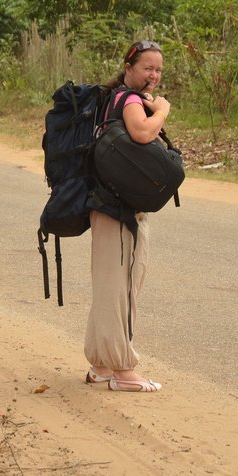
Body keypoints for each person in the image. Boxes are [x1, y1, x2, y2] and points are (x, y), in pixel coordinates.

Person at [83, 40, 172, 393]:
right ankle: (123, 371)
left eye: (158, 69)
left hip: (105, 205)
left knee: (109, 289)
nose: (153, 75)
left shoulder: (113, 97)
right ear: (130, 67)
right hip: (119, 211)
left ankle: (100, 365)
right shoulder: (131, 100)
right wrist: (162, 111)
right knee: (123, 290)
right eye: (148, 68)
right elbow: (141, 132)